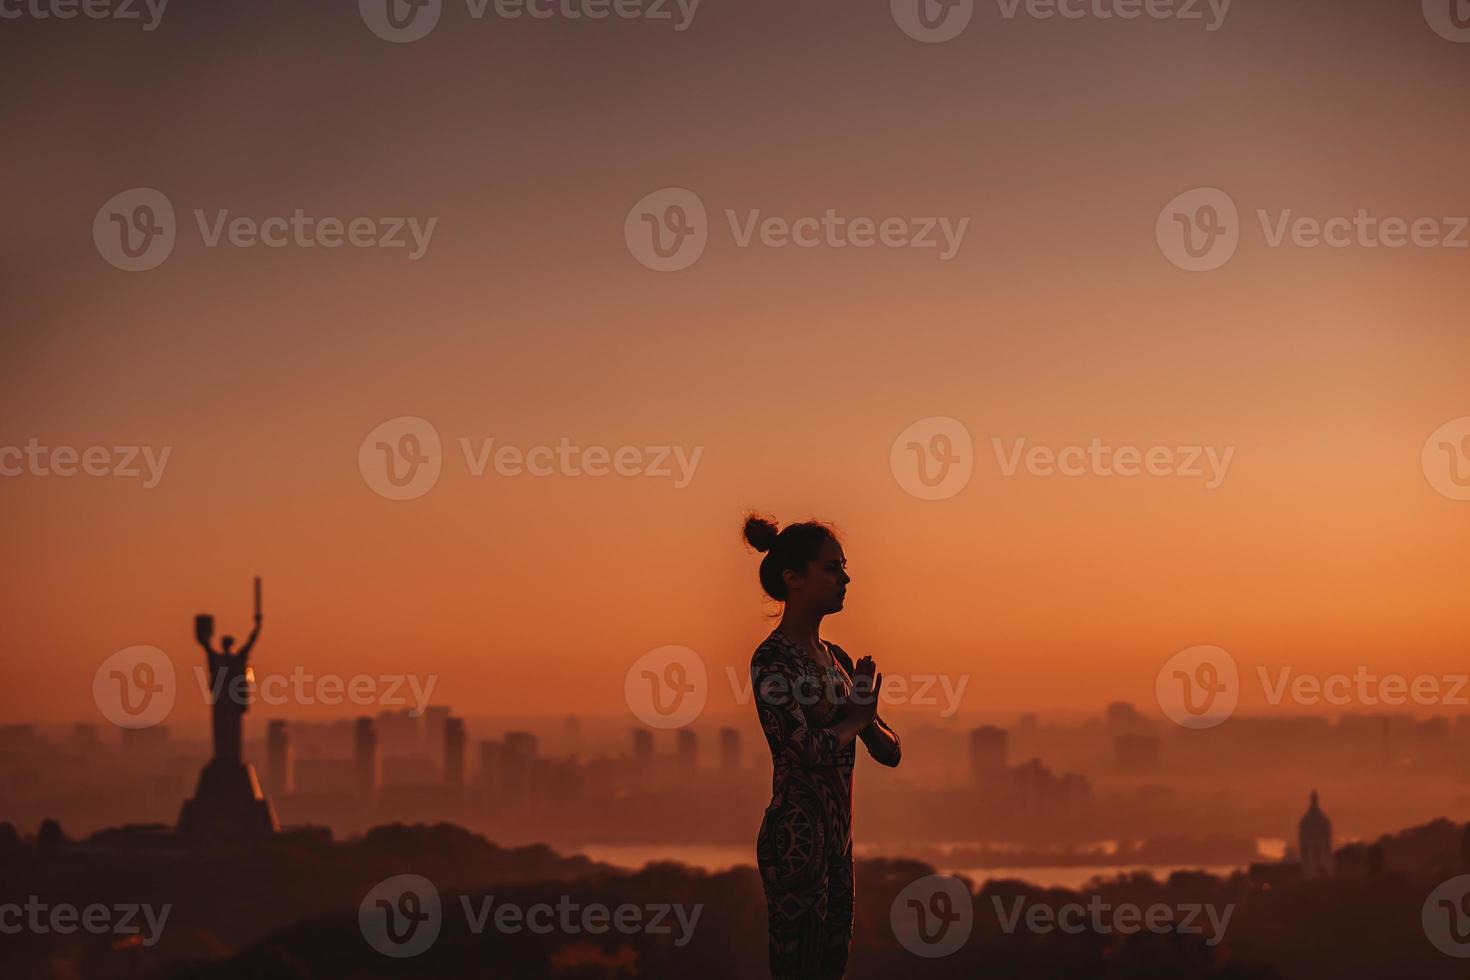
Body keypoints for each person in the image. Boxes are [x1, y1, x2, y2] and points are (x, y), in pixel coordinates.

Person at [743, 514, 901, 979]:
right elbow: (800, 749)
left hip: (838, 842)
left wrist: (867, 718)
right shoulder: (773, 659)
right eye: (832, 568)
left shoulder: (839, 661)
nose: (845, 578)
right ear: (793, 579)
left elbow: (890, 751)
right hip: (797, 839)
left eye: (844, 567)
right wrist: (855, 717)